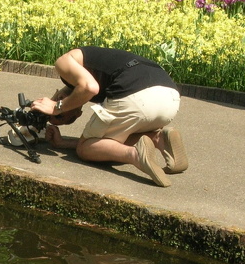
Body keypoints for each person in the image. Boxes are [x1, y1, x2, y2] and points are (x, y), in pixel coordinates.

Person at [31, 47, 188, 188]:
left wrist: (57, 107)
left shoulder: (65, 60)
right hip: (170, 96)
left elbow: (88, 87)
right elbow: (81, 90)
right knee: (111, 139)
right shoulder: (96, 62)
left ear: (58, 95)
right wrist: (62, 142)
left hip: (134, 94)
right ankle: (159, 138)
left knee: (85, 148)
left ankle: (135, 155)